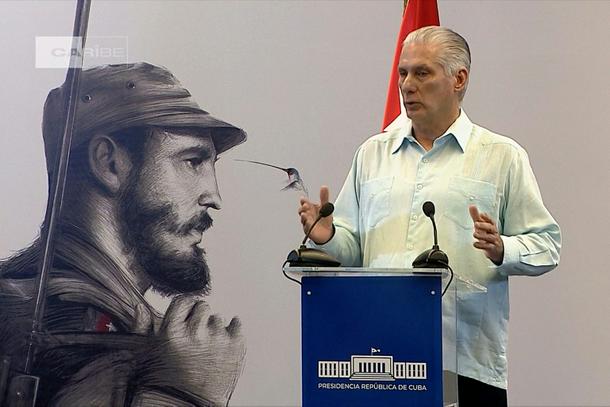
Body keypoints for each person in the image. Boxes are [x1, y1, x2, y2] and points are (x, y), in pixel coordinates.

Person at [297, 26, 561, 405]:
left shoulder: (501, 156)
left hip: (464, 363)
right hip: (381, 359)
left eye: (422, 73)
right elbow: (354, 251)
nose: (407, 85)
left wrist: (502, 248)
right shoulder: (372, 154)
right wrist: (330, 237)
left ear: (459, 79)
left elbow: (547, 245)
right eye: (403, 73)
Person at [0, 62, 247, 406]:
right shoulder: (64, 335)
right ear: (109, 164)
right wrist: (180, 394)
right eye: (192, 161)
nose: (213, 196)